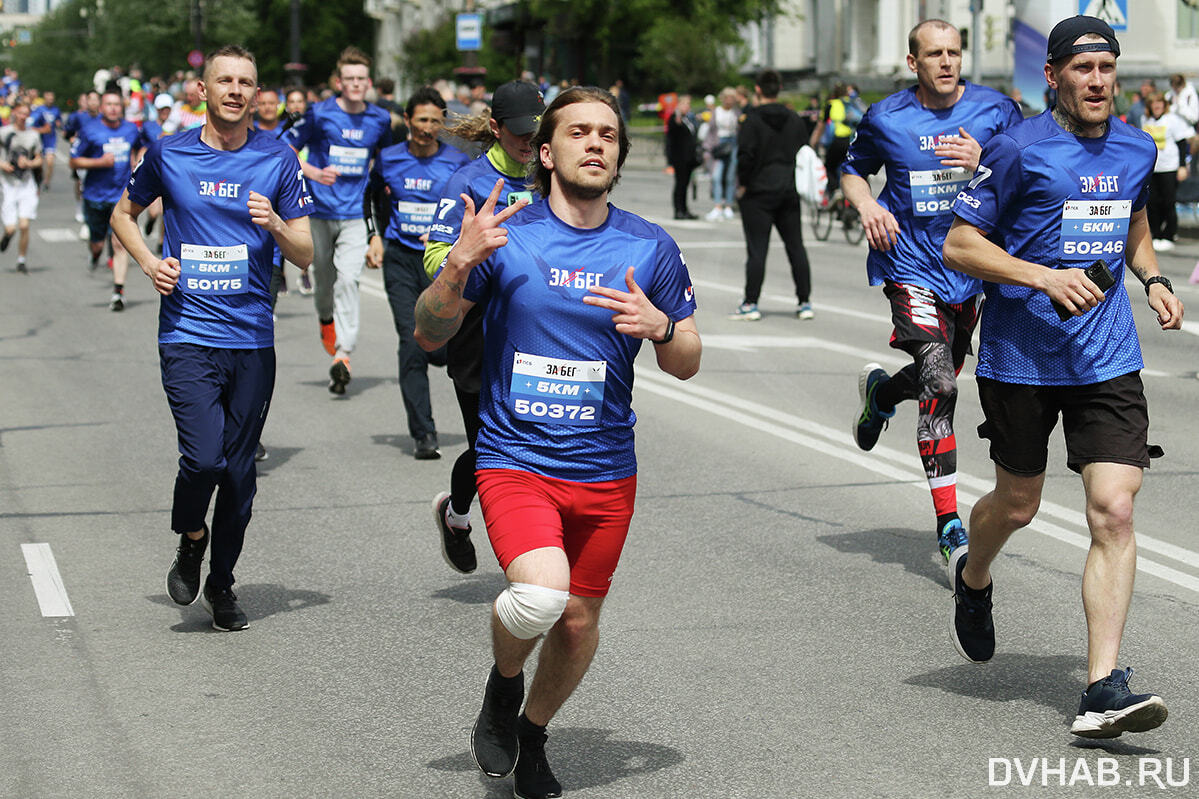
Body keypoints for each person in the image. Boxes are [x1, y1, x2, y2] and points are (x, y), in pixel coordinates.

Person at [414, 85, 701, 799]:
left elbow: (687, 355)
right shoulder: (508, 234)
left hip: (606, 469)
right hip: (516, 460)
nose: (595, 142)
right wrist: (456, 264)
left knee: (577, 620)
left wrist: (660, 326)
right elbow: (428, 331)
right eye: (578, 132)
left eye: (607, 133)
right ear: (546, 152)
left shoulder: (648, 246)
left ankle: (533, 732)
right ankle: (502, 686)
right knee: (540, 596)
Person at [942, 15, 1181, 738]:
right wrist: (1040, 276)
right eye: (1082, 70)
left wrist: (1152, 275)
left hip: (1105, 357)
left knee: (1113, 509)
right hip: (1020, 359)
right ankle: (972, 575)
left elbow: (1132, 218)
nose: (1098, 81)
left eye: (1107, 68)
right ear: (1052, 77)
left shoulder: (1138, 146)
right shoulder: (1016, 150)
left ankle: (1100, 687)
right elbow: (959, 244)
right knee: (1016, 504)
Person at [109, 45, 313, 631]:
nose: (235, 90)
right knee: (203, 458)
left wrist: (274, 223)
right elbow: (124, 215)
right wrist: (150, 263)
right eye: (224, 80)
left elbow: (303, 253)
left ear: (255, 93)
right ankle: (191, 536)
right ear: (202, 89)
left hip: (251, 337)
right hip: (187, 333)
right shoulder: (169, 154)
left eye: (245, 82)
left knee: (240, 473)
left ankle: (222, 584)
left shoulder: (278, 160)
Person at [841, 19, 1023, 573]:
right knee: (941, 381)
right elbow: (852, 170)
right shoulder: (887, 117)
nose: (946, 62)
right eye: (933, 54)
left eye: (953, 53)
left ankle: (880, 396)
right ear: (912, 61)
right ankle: (948, 522)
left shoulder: (998, 112)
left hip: (971, 268)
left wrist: (984, 165)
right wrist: (868, 204)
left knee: (936, 375)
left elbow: (1029, 175)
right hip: (911, 264)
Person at [422, 80, 545, 574]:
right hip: (477, 335)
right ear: (495, 128)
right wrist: (471, 251)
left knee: (530, 446)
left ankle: (531, 556)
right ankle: (456, 515)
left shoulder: (548, 178)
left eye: (536, 133)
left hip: (532, 330)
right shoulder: (467, 183)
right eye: (518, 133)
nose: (529, 143)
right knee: (491, 448)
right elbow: (434, 258)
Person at [365, 87, 469, 459]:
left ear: (444, 123)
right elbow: (371, 196)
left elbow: (468, 208)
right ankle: (424, 433)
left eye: (435, 121)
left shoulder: (456, 162)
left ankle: (439, 351)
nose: (428, 128)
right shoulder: (390, 158)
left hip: (441, 262)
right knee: (411, 341)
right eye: (422, 120)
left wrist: (449, 233)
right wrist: (374, 235)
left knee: (439, 348)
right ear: (407, 120)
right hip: (401, 258)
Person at [286, 46, 391, 395]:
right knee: (325, 281)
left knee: (349, 279)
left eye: (362, 79)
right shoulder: (319, 114)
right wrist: (313, 172)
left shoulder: (379, 119)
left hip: (354, 215)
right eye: (350, 79)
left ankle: (343, 354)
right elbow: (284, 148)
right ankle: (326, 320)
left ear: (369, 82)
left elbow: (386, 160)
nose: (356, 84)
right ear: (339, 81)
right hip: (317, 212)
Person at [728, 69, 815, 321]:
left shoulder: (751, 120)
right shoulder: (794, 118)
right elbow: (803, 149)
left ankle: (751, 302)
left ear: (757, 90)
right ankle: (804, 301)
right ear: (779, 89)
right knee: (796, 247)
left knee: (757, 249)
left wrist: (743, 184)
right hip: (788, 189)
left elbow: (745, 156)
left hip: (758, 191)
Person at [69, 89, 140, 310]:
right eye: (108, 104)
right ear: (101, 107)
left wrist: (137, 167)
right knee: (98, 243)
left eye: (117, 104)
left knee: (119, 244)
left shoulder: (131, 129)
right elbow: (74, 161)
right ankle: (95, 253)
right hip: (94, 196)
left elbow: (139, 149)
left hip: (121, 197)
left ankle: (118, 292)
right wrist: (98, 163)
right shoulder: (89, 130)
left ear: (122, 107)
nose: (113, 108)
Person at [1140, 92, 1192, 252]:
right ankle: (1155, 234)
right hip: (1152, 168)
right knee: (1152, 202)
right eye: (1153, 104)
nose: (1157, 107)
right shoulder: (1145, 120)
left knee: (1168, 202)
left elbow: (1182, 144)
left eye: (1159, 104)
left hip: (1169, 167)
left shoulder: (1172, 120)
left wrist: (1182, 166)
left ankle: (1169, 234)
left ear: (1164, 105)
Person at [0, 100, 44, 273]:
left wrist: (30, 163)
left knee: (24, 225)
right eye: (20, 112)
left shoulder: (33, 135)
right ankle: (8, 235)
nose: (23, 116)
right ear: (14, 113)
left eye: (26, 113)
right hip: (8, 184)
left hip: (26, 184)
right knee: (11, 228)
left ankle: (21, 260)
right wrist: (3, 165)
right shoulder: (4, 133)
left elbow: (39, 159)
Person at [705, 87, 739, 220]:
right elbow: (711, 131)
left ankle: (729, 205)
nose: (730, 100)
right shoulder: (716, 112)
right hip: (719, 144)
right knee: (716, 176)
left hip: (733, 144)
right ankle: (718, 205)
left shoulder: (736, 112)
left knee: (731, 177)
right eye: (727, 98)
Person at [665, 93, 699, 219]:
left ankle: (685, 209)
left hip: (689, 158)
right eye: (686, 104)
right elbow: (671, 135)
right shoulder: (675, 118)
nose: (688, 106)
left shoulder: (688, 119)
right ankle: (678, 210)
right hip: (680, 157)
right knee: (680, 184)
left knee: (685, 184)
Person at [30, 90, 61, 191]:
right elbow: (31, 125)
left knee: (50, 161)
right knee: (40, 163)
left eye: (52, 98)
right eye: (48, 98)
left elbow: (59, 121)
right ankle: (39, 178)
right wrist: (41, 130)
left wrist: (59, 124)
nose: (50, 100)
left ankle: (47, 181)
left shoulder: (56, 110)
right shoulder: (39, 110)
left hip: (51, 139)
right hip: (40, 139)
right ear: (44, 98)